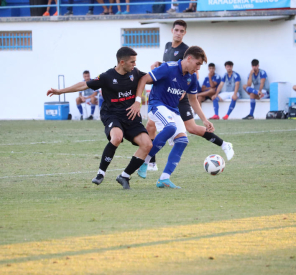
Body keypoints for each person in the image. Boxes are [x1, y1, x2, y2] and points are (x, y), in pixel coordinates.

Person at [47, 47, 152, 189]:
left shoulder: (135, 73)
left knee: (147, 145)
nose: (134, 65)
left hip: (131, 116)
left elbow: (153, 78)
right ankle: (100, 173)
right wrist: (60, 91)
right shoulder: (107, 77)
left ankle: (124, 176)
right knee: (116, 137)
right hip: (112, 114)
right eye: (132, 62)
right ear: (122, 62)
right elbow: (84, 84)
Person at [147, 20, 234, 172]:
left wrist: (182, 91)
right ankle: (151, 163)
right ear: (172, 31)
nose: (179, 33)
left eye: (182, 31)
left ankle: (224, 144)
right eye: (177, 30)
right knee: (150, 125)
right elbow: (170, 68)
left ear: (185, 33)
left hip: (179, 95)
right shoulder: (168, 46)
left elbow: (194, 73)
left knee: (192, 128)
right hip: (166, 95)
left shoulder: (186, 50)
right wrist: (158, 64)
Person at [137, 46, 215, 189]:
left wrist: (204, 119)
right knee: (171, 127)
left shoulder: (191, 78)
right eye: (197, 64)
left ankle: (164, 179)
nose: (198, 68)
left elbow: (193, 100)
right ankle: (145, 160)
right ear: (189, 58)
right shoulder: (168, 67)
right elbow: (144, 79)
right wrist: (137, 101)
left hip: (173, 110)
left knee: (182, 141)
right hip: (157, 105)